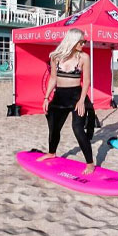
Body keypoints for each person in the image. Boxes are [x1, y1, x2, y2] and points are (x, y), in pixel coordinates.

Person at [39, 28, 95, 175]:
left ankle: (90, 163)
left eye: (84, 41)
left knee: (77, 129)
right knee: (53, 126)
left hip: (76, 96)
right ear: (73, 41)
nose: (84, 44)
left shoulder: (84, 57)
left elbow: (87, 81)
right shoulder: (55, 57)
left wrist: (82, 100)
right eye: (82, 41)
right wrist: (46, 97)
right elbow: (53, 78)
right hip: (59, 97)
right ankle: (52, 152)